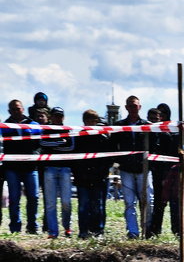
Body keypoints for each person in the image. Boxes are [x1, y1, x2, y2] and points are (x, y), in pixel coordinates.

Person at [112, 95, 151, 238]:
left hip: (144, 169)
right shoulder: (119, 126)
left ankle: (147, 230)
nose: (133, 108)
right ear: (126, 107)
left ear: (139, 107)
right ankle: (133, 232)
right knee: (129, 202)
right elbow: (113, 145)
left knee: (146, 202)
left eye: (135, 105)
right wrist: (118, 160)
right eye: (130, 105)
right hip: (126, 169)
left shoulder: (147, 126)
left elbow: (153, 146)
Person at [71, 110, 111, 238]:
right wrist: (77, 174)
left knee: (97, 206)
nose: (91, 123)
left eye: (94, 120)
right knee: (83, 206)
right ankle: (83, 231)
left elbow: (108, 159)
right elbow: (74, 158)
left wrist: (103, 173)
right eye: (89, 120)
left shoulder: (103, 138)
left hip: (98, 178)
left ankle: (97, 231)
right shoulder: (78, 138)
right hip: (82, 178)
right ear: (84, 121)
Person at [4, 98, 39, 234]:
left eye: (18, 108)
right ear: (9, 111)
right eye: (13, 109)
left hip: (30, 167)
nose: (16, 111)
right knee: (14, 199)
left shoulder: (33, 124)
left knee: (34, 197)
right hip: (12, 168)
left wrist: (35, 154)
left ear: (23, 109)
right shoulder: (4, 126)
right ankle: (15, 228)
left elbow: (40, 144)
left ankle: (32, 226)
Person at [40, 107, 74, 238]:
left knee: (66, 201)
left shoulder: (68, 129)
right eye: (55, 115)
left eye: (60, 116)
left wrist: (53, 144)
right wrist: (60, 143)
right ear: (51, 116)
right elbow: (42, 143)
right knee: (50, 203)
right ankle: (53, 232)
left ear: (63, 117)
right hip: (49, 168)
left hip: (65, 168)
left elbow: (70, 147)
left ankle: (67, 226)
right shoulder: (46, 129)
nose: (57, 118)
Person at [146, 106, 177, 237]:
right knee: (158, 203)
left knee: (172, 204)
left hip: (166, 173)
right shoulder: (146, 133)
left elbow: (170, 155)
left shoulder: (168, 134)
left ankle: (176, 231)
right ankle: (154, 230)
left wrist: (166, 175)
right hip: (153, 172)